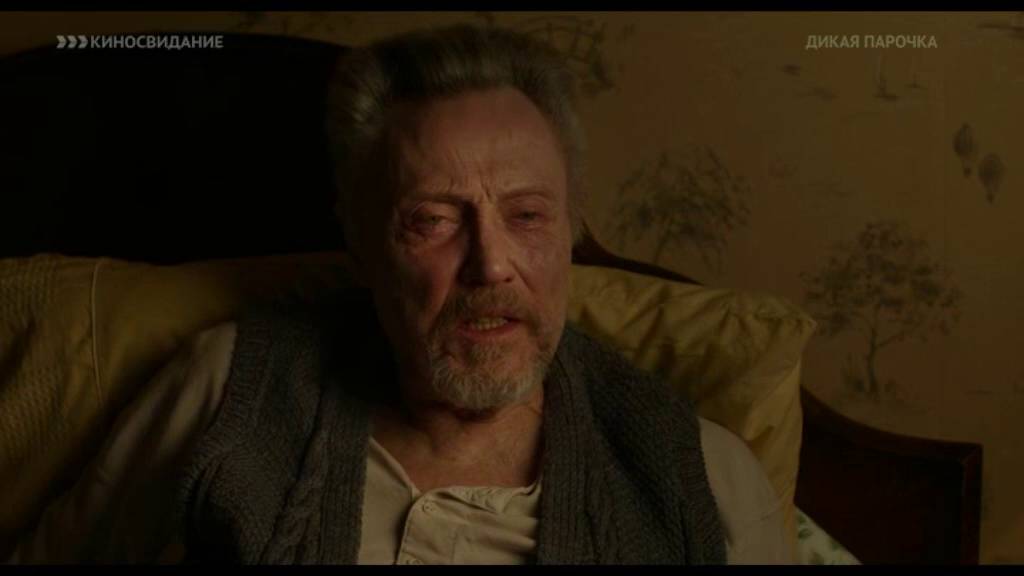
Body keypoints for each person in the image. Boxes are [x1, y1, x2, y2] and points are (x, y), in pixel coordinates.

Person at [7, 24, 791, 565]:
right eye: (433, 221)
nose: (491, 266)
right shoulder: (229, 391)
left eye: (527, 216)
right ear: (361, 244)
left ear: (570, 233)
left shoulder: (700, 478)